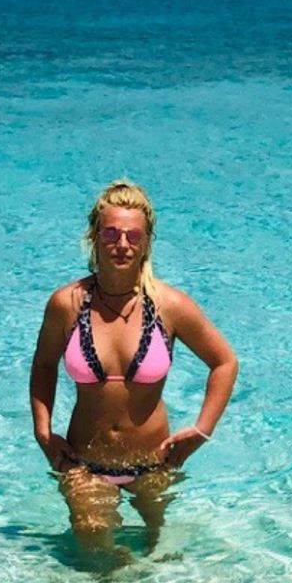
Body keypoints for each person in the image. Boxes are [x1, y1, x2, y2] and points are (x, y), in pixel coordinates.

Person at [30, 178, 239, 556]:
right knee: (94, 548)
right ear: (94, 237)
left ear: (146, 243)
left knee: (159, 553)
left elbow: (224, 362)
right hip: (84, 464)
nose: (122, 244)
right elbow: (44, 365)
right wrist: (43, 432)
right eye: (111, 233)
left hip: (154, 464)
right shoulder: (66, 304)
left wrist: (202, 431)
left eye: (133, 235)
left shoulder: (170, 306)